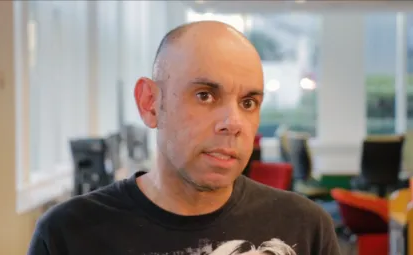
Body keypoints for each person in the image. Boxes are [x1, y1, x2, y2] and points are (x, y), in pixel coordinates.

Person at [27, 20, 341, 255]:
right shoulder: (67, 234)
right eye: (205, 95)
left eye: (248, 103)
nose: (233, 123)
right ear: (150, 104)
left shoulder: (306, 228)